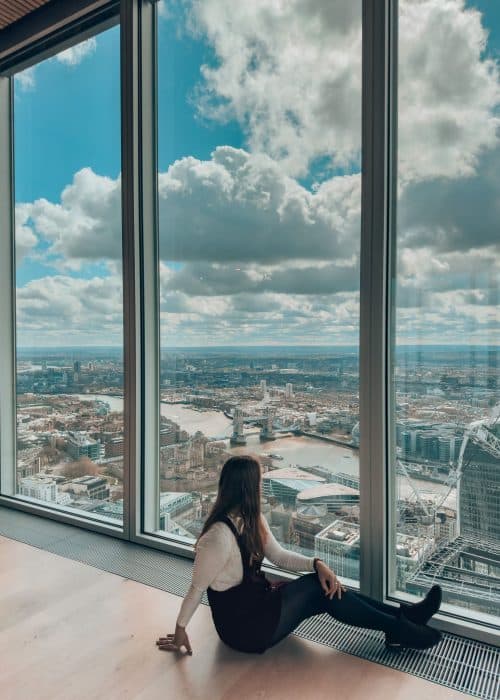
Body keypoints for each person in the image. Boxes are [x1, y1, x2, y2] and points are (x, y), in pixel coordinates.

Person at [156, 455, 442, 656]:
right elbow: (196, 589)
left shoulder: (251, 518)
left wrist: (317, 564)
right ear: (247, 488)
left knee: (321, 585)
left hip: (259, 607)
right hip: (243, 630)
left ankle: (404, 619)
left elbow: (279, 556)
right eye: (258, 481)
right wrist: (180, 629)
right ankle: (399, 626)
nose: (261, 486)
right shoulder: (217, 538)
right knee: (318, 587)